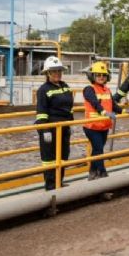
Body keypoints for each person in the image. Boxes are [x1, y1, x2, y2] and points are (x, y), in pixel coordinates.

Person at [35, 56, 73, 190]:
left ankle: (59, 181)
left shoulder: (65, 86)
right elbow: (41, 112)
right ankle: (51, 185)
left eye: (59, 71)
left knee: (63, 156)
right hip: (50, 129)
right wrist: (44, 130)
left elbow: (69, 107)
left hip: (64, 128)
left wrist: (69, 122)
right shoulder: (43, 90)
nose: (57, 73)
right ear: (47, 73)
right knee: (49, 158)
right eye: (54, 71)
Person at [82, 61, 121, 180]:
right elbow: (94, 103)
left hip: (104, 126)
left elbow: (113, 106)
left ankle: (92, 172)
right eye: (98, 75)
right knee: (99, 149)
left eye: (103, 75)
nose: (101, 77)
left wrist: (125, 111)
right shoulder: (89, 89)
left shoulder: (107, 90)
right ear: (92, 76)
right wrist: (104, 112)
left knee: (97, 150)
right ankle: (103, 173)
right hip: (92, 127)